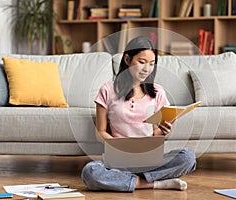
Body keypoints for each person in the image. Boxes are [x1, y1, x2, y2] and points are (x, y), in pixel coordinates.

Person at [81, 36, 196, 192]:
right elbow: (100, 132)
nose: (147, 69)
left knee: (188, 157)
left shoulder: (157, 92)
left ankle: (129, 181)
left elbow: (156, 133)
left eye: (151, 64)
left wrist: (163, 131)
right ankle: (155, 183)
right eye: (142, 62)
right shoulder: (107, 90)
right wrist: (119, 148)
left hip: (149, 158)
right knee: (90, 171)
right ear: (127, 60)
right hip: (119, 160)